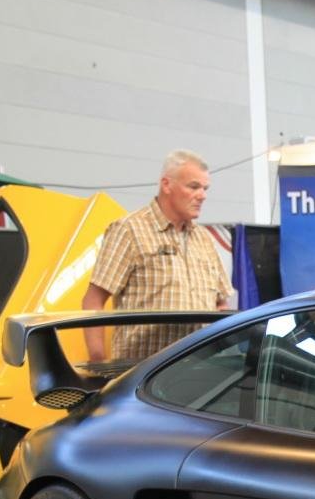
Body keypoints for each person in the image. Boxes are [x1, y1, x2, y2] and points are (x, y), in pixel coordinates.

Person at [82, 149, 234, 361]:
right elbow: (93, 300)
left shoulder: (203, 239)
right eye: (193, 187)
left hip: (199, 371)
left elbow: (220, 304)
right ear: (166, 185)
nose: (202, 195)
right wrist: (98, 363)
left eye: (205, 188)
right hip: (143, 371)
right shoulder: (129, 230)